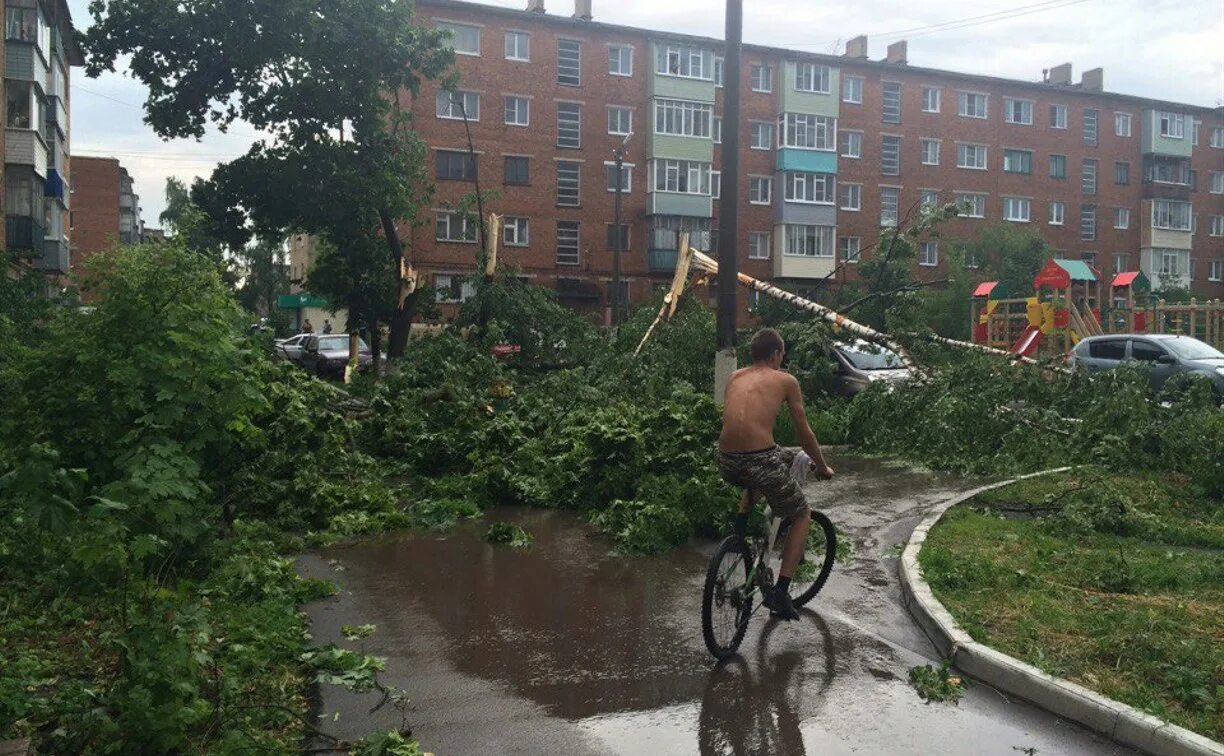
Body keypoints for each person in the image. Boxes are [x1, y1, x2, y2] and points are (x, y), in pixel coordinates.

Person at [717, 328, 834, 621]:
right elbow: (805, 434)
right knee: (802, 514)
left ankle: (740, 529)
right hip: (760, 461)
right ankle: (780, 592)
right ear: (776, 354)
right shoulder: (785, 380)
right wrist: (822, 466)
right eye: (782, 355)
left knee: (777, 458)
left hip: (726, 461)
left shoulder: (735, 377)